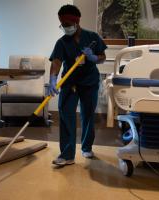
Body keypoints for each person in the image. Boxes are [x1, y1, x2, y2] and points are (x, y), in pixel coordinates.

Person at [49, 4, 107, 166]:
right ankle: (67, 155)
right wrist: (52, 79)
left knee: (88, 115)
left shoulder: (93, 37)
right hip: (70, 83)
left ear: (76, 21)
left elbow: (102, 56)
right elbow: (56, 61)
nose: (64, 28)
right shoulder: (62, 42)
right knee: (66, 115)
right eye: (62, 24)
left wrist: (94, 58)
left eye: (67, 24)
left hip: (89, 82)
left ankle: (87, 147)